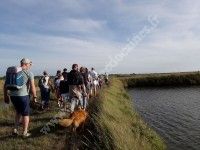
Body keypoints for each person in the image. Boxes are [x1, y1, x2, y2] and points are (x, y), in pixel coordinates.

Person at [3, 58, 37, 137]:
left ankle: (15, 129)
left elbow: (5, 86)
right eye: (30, 64)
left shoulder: (13, 72)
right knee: (25, 114)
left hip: (12, 96)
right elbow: (32, 87)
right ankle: (25, 132)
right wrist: (35, 96)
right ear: (26, 64)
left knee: (18, 112)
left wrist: (6, 96)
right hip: (23, 96)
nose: (30, 66)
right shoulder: (29, 73)